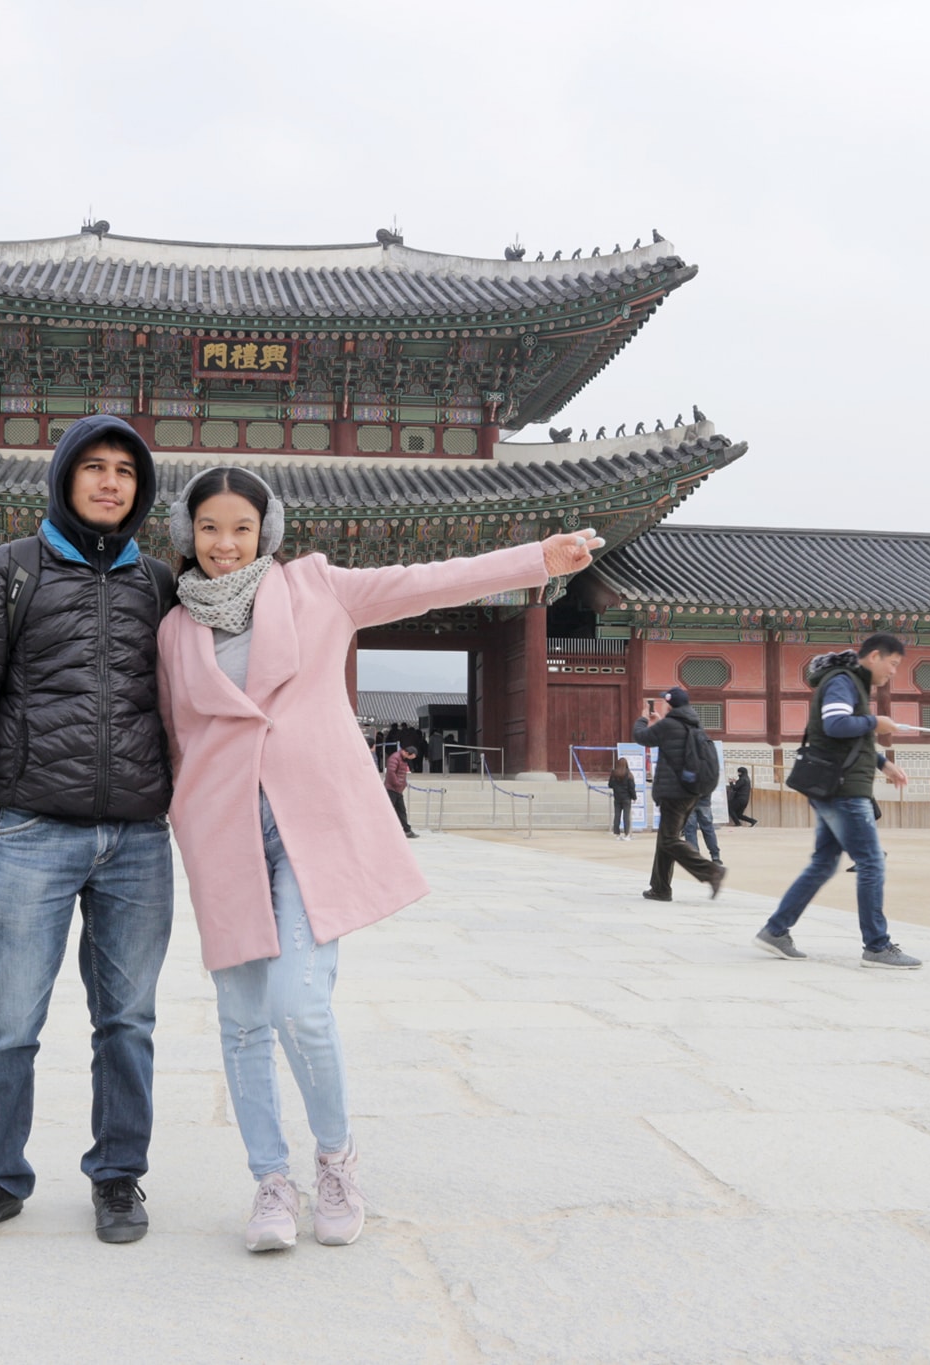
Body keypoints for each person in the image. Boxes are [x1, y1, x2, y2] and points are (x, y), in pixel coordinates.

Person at [155, 465, 601, 1252]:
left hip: (310, 825)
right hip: (222, 834)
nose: (225, 545)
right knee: (242, 1021)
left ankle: (335, 1158)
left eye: (242, 528)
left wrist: (537, 559)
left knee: (299, 1002)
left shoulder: (319, 589)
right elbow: (174, 735)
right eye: (210, 528)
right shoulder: (173, 629)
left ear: (269, 533)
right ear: (186, 533)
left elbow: (428, 582)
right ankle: (269, 1181)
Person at [0, 414, 176, 1248]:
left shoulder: (160, 584)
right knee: (6, 1020)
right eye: (94, 468)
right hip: (35, 828)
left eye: (126, 472)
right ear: (65, 477)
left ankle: (118, 1174)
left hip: (139, 838)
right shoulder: (10, 572)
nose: (111, 483)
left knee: (129, 1022)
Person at [754, 635, 921, 968]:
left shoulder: (852, 683)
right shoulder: (843, 682)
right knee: (871, 862)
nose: (893, 672)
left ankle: (775, 930)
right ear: (874, 656)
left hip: (837, 784)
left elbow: (851, 739)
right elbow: (835, 725)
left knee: (824, 863)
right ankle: (876, 946)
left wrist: (883, 764)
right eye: (893, 664)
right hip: (843, 788)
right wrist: (877, 722)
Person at [633, 687, 725, 901]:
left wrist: (643, 718)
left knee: (669, 840)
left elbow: (640, 737)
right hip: (691, 792)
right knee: (665, 839)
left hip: (673, 793)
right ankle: (660, 888)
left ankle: (711, 871)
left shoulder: (668, 726)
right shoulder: (694, 724)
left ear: (669, 704)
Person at [385, 743, 420, 838]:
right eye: (411, 757)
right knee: (387, 810)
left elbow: (403, 773)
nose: (410, 759)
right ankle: (383, 830)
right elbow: (391, 772)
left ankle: (407, 830)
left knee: (401, 811)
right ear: (407, 753)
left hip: (398, 789)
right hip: (391, 789)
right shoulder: (395, 757)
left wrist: (403, 784)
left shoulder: (404, 759)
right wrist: (397, 783)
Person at [682, 794, 723, 861]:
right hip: (704, 802)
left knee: (690, 831)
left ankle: (695, 857)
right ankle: (715, 856)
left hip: (688, 802)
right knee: (708, 830)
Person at [609, 756, 637, 841]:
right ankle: (627, 834)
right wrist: (634, 797)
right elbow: (631, 787)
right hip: (626, 798)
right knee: (626, 816)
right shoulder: (629, 774)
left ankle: (617, 834)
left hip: (617, 797)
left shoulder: (614, 773)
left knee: (617, 815)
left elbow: (610, 784)